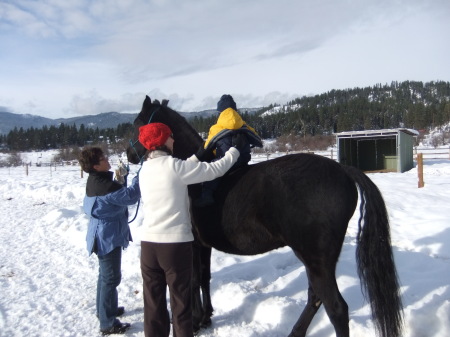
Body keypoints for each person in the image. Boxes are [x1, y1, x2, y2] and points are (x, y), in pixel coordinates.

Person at [137, 122, 244, 337]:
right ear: (162, 141)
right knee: (181, 305)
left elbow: (176, 171)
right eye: (170, 137)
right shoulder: (175, 168)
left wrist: (198, 155)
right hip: (174, 248)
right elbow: (215, 170)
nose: (173, 140)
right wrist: (235, 151)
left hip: (148, 247)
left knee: (153, 305)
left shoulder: (144, 169)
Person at [79, 147, 141, 336]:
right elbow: (130, 196)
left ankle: (104, 310)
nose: (107, 159)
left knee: (104, 275)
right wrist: (142, 175)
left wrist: (121, 178)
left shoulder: (98, 181)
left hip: (101, 233)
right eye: (103, 158)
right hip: (107, 236)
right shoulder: (105, 187)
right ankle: (107, 323)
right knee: (111, 277)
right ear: (95, 166)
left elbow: (116, 193)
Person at [196, 94, 263, 206]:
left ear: (220, 112)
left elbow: (207, 147)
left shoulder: (216, 128)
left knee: (212, 172)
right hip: (243, 161)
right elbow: (258, 141)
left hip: (225, 162)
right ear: (235, 110)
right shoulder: (244, 125)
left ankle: (206, 195)